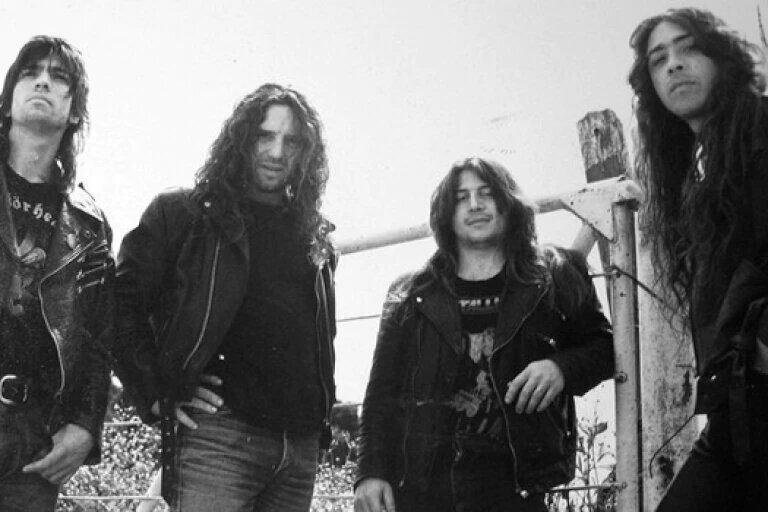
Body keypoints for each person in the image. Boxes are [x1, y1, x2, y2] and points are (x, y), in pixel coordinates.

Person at [113, 83, 336, 511]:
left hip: (299, 450)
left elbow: (321, 343)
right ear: (241, 138)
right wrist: (156, 389)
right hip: (218, 438)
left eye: (291, 141)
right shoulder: (183, 215)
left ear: (306, 153)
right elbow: (120, 306)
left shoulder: (314, 236)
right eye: (264, 136)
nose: (277, 152)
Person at [354, 157, 614, 512]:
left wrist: (560, 368)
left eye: (487, 193)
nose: (474, 205)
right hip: (423, 488)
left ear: (509, 204)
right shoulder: (410, 293)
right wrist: (370, 472)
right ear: (446, 214)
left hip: (514, 489)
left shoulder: (553, 276)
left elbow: (604, 347)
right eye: (461, 198)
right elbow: (380, 394)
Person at [628, 8, 768, 511]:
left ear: (721, 58)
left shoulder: (761, 127)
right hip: (738, 404)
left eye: (689, 48)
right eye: (658, 59)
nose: (674, 64)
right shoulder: (694, 170)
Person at [0, 36, 114, 511]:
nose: (43, 81)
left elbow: (99, 337)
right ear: (8, 98)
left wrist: (86, 427)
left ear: (74, 112)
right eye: (30, 73)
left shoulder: (89, 223)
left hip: (31, 439)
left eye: (58, 76)